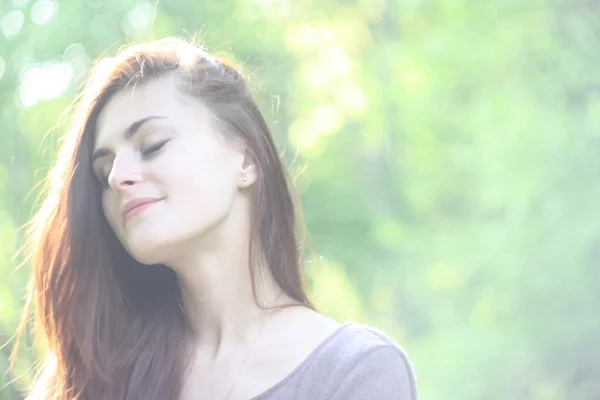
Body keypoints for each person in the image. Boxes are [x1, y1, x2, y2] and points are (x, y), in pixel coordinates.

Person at [15, 37, 417, 400]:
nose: (119, 177)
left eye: (152, 145)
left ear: (245, 159)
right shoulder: (88, 378)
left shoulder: (354, 372)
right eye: (104, 173)